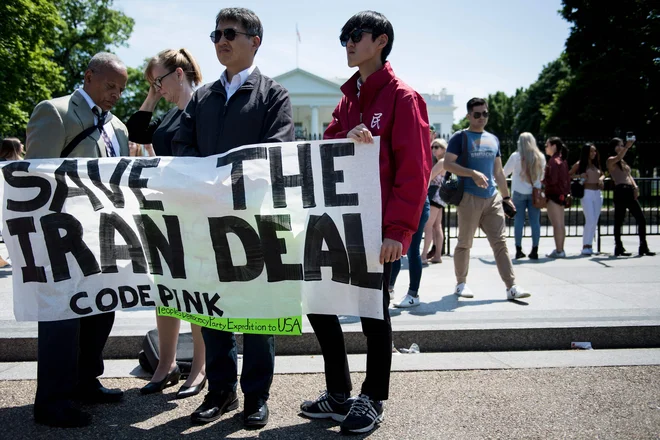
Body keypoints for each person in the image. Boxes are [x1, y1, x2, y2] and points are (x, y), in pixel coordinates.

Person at [299, 11, 431, 434]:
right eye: (344, 37)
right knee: (320, 305)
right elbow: (326, 148)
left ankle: (372, 398)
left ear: (381, 40)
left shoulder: (403, 97)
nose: (348, 43)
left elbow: (415, 171)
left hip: (379, 229)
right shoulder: (348, 97)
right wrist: (345, 135)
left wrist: (398, 231)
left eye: (355, 35)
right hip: (341, 222)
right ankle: (338, 394)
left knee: (374, 313)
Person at [171, 7, 294, 428]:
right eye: (216, 34)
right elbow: (182, 146)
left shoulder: (274, 95)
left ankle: (256, 397)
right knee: (212, 312)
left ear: (254, 40)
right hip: (206, 221)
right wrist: (209, 180)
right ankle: (220, 393)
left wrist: (223, 177)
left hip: (254, 222)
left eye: (230, 33)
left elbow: (275, 151)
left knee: (259, 314)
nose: (221, 40)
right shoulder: (203, 97)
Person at [25, 52, 129, 428]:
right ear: (88, 77)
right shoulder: (53, 112)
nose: (115, 94)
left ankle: (86, 381)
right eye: (109, 85)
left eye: (121, 89)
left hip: (104, 234)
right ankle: (52, 401)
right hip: (60, 236)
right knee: (61, 317)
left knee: (102, 310)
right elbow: (34, 178)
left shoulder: (118, 128)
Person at [126, 48, 207, 398]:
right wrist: (151, 94)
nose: (157, 88)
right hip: (165, 214)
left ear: (178, 73)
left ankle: (200, 366)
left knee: (199, 292)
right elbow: (138, 131)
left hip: (198, 216)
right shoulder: (171, 116)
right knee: (166, 291)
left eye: (158, 80)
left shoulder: (205, 106)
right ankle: (166, 364)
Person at [443, 98, 530, 300]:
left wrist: (506, 197)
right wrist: (472, 173)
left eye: (485, 113)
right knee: (465, 243)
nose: (481, 117)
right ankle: (461, 283)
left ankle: (511, 286)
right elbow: (448, 164)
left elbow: (498, 172)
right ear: (468, 116)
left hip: (493, 198)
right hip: (469, 198)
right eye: (477, 114)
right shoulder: (460, 137)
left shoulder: (493, 139)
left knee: (500, 242)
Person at [606, 137, 655, 257]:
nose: (621, 147)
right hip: (620, 191)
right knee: (619, 221)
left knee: (641, 219)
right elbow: (618, 157)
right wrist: (627, 147)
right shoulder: (611, 160)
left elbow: (629, 175)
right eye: (619, 145)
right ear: (614, 147)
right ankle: (619, 247)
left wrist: (635, 186)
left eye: (622, 145)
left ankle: (643, 246)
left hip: (629, 191)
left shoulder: (623, 162)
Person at [503, 133, 545, 260]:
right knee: (535, 222)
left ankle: (518, 250)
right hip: (534, 193)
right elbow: (542, 177)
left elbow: (504, 172)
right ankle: (535, 250)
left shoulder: (516, 156)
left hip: (518, 193)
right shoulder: (540, 157)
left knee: (519, 222)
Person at [569, 143, 605, 256]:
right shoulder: (580, 164)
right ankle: (585, 245)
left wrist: (601, 179)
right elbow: (569, 175)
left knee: (594, 220)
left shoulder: (596, 164)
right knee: (590, 219)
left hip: (598, 193)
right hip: (587, 193)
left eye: (595, 151)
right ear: (586, 153)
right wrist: (580, 176)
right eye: (591, 151)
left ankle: (590, 245)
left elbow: (603, 174)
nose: (593, 153)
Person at [421, 138, 448, 265]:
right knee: (437, 227)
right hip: (440, 196)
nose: (434, 149)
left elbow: (429, 177)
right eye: (432, 147)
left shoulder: (442, 162)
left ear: (444, 149)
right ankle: (437, 255)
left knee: (428, 226)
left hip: (434, 196)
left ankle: (424, 255)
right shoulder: (444, 162)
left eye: (437, 147)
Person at [543, 137, 570, 258]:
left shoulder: (553, 161)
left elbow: (552, 180)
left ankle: (559, 250)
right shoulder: (562, 160)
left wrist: (542, 180)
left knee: (556, 224)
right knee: (560, 224)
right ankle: (560, 249)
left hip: (553, 195)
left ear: (553, 146)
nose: (545, 147)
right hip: (561, 195)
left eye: (547, 145)